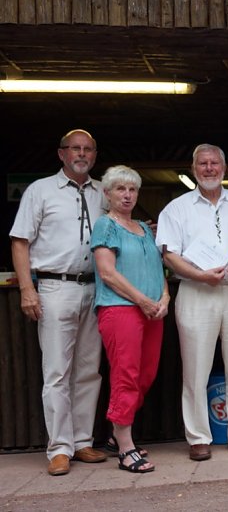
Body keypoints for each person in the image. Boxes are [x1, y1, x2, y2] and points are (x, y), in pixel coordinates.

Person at [156, 144, 228, 461]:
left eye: (214, 163)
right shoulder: (176, 208)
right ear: (194, 169)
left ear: (224, 167)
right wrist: (199, 275)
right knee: (195, 369)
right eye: (203, 163)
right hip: (196, 292)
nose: (209, 168)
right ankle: (198, 436)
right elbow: (169, 254)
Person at [9, 129, 108, 476]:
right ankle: (59, 448)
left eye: (88, 149)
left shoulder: (103, 193)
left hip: (95, 288)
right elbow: (20, 242)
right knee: (56, 373)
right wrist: (26, 288)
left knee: (88, 371)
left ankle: (82, 442)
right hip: (54, 287)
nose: (81, 154)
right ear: (61, 153)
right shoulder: (40, 191)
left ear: (94, 155)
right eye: (75, 148)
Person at [91, 165, 169, 472]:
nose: (127, 195)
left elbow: (158, 268)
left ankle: (116, 434)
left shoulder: (144, 228)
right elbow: (107, 273)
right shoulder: (105, 225)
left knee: (145, 375)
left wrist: (164, 298)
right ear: (107, 193)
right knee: (126, 374)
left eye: (132, 189)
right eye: (120, 189)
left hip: (152, 311)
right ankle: (125, 446)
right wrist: (143, 301)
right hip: (120, 309)